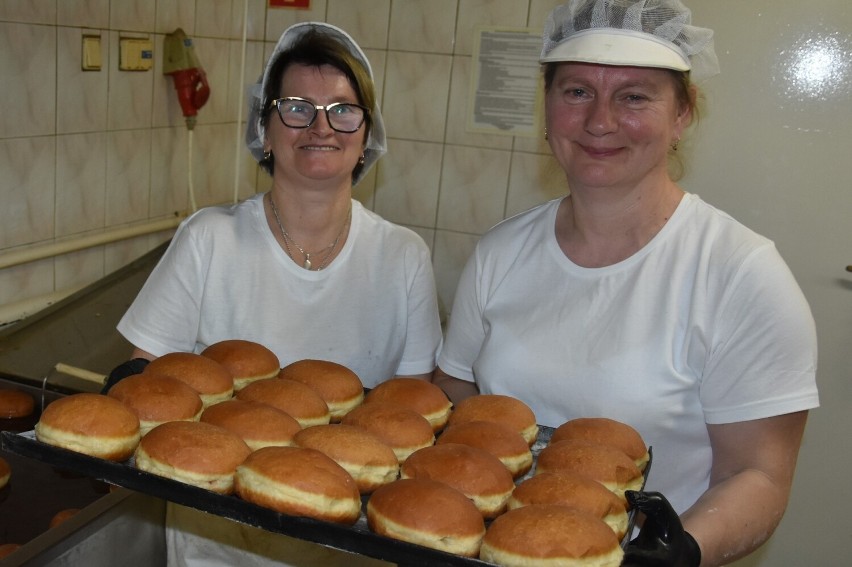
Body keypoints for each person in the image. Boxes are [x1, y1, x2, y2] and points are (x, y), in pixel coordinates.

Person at [434, 1, 819, 566]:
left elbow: (757, 474)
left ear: (683, 114)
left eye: (634, 96)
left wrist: (678, 551)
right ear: (546, 106)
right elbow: (457, 391)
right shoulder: (501, 251)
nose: (600, 122)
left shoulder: (740, 274)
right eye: (577, 92)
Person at [112, 22, 441, 567]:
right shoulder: (209, 240)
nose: (320, 126)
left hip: (346, 550)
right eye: (296, 107)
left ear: (365, 134)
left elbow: (408, 422)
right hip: (214, 546)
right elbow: (143, 389)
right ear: (264, 129)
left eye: (342, 109)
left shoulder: (403, 257)